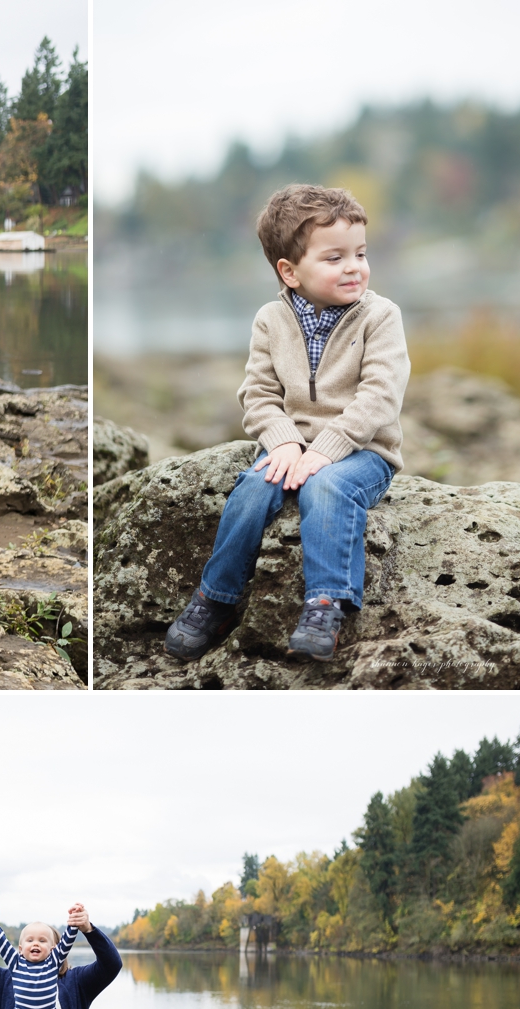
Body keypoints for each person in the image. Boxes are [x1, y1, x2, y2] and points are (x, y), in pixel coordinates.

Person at [164, 184, 409, 662]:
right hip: (290, 446)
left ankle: (325, 605)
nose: (354, 266)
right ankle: (215, 598)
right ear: (290, 271)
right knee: (253, 489)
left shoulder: (380, 316)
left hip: (364, 452)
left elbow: (380, 394)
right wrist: (282, 443)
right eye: (334, 258)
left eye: (360, 253)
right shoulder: (271, 320)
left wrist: (327, 450)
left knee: (327, 489)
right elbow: (257, 394)